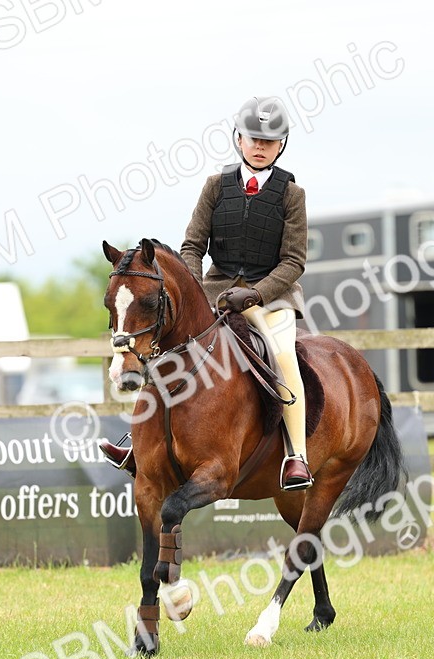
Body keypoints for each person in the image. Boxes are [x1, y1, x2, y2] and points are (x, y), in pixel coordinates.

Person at [101, 96, 313, 490]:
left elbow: (293, 261)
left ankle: (296, 456)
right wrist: (196, 292)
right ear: (239, 139)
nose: (260, 146)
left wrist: (256, 294)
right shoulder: (216, 186)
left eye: (269, 141)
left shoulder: (291, 195)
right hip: (216, 292)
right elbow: (193, 246)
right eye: (253, 138)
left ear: (281, 145)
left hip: (273, 299)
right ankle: (138, 446)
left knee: (284, 358)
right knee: (166, 350)